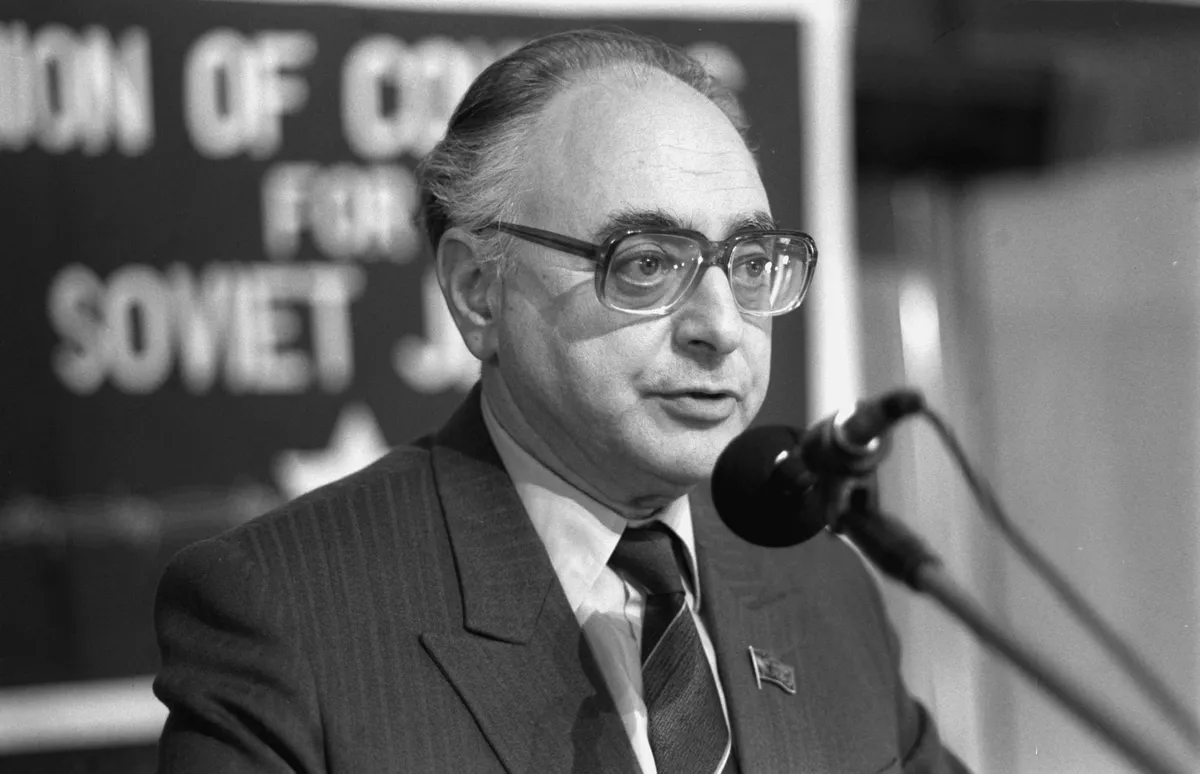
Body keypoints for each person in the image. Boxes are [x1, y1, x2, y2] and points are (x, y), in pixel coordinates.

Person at [153, 28, 969, 773]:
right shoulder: (284, 613)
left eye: (751, 262)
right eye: (647, 263)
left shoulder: (821, 581)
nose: (722, 328)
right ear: (478, 290)